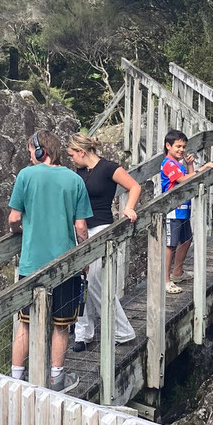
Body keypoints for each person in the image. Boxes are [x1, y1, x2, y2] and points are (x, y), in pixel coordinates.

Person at [9, 130, 93, 394]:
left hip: (31, 264)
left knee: (25, 322)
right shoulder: (74, 180)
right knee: (61, 324)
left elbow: (13, 218)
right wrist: (84, 257)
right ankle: (56, 378)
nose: (28, 156)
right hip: (64, 265)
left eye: (29, 150)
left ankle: (16, 377)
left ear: (39, 150)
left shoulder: (25, 176)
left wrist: (20, 231)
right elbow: (81, 227)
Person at [66, 134, 141, 351]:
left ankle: (122, 331)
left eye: (72, 155)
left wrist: (129, 207)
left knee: (96, 280)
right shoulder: (78, 172)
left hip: (101, 227)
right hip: (79, 229)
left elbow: (134, 186)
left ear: (82, 151)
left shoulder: (109, 168)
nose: (71, 159)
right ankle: (83, 333)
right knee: (80, 280)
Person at [160, 129, 213, 294]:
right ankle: (166, 280)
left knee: (186, 240)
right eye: (178, 146)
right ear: (168, 146)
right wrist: (203, 167)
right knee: (170, 245)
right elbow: (182, 180)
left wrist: (190, 166)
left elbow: (189, 181)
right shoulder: (168, 164)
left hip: (183, 210)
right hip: (173, 210)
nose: (181, 150)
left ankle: (177, 273)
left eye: (183, 146)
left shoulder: (178, 163)